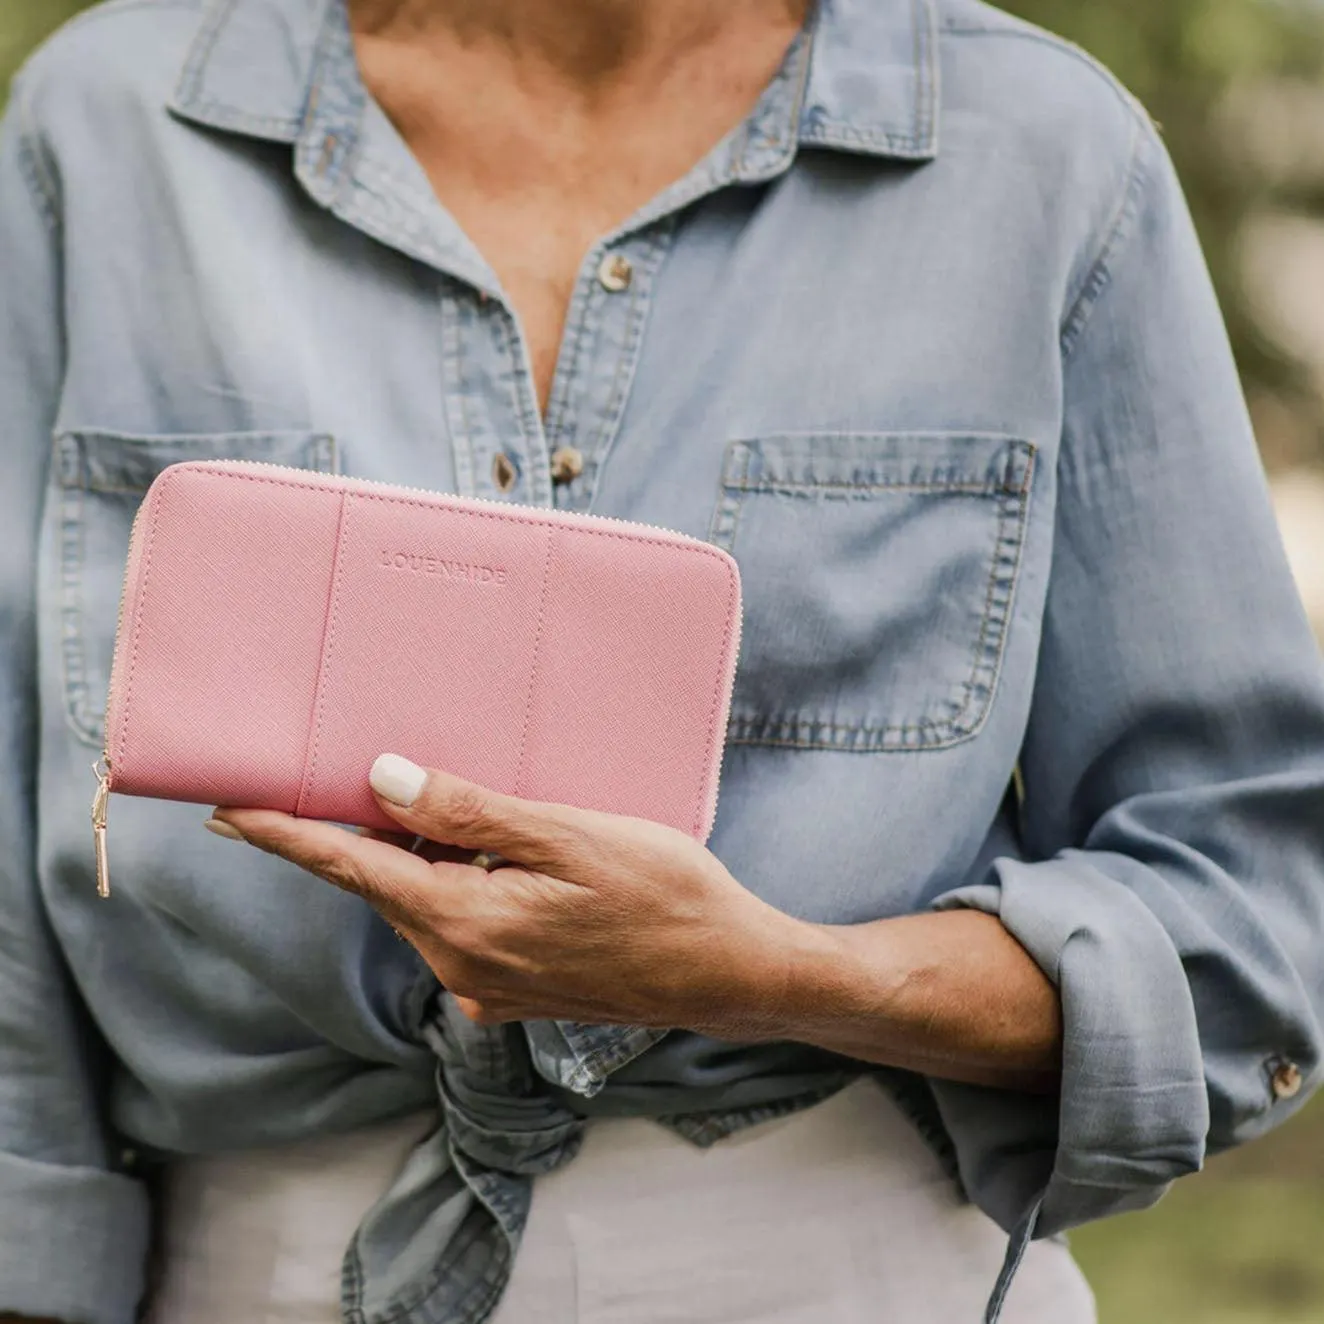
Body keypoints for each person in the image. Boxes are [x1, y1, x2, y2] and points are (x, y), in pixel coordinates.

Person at [2, 0, 1323, 1321]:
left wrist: (774, 975)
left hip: (852, 1259)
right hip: (255, 1262)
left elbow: (1249, 914)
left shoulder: (1041, 154)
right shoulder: (113, 122)